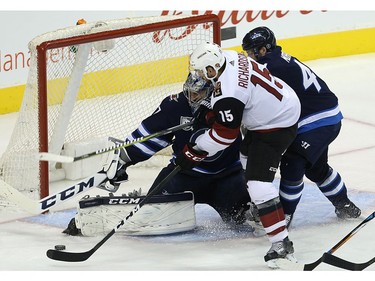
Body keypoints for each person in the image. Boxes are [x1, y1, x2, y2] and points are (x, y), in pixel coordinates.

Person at [66, 73, 253, 235]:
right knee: (149, 215)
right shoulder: (176, 105)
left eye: (198, 93)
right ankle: (95, 219)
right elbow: (150, 137)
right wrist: (123, 160)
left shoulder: (230, 103)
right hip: (182, 175)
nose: (192, 97)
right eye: (189, 92)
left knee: (243, 218)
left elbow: (257, 130)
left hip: (228, 176)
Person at [177, 42, 301, 268]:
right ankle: (260, 207)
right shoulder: (230, 57)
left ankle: (281, 245)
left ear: (212, 69)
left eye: (200, 72)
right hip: (280, 103)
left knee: (258, 183)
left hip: (276, 124)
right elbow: (232, 103)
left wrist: (195, 149)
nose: (197, 76)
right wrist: (214, 113)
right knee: (245, 156)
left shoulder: (229, 92)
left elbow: (225, 137)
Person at [241, 26, 361, 228]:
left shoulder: (271, 67)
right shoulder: (278, 59)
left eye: (252, 52)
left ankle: (284, 217)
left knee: (293, 163)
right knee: (317, 169)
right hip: (325, 117)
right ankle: (345, 204)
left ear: (264, 49)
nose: (250, 56)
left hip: (315, 121)